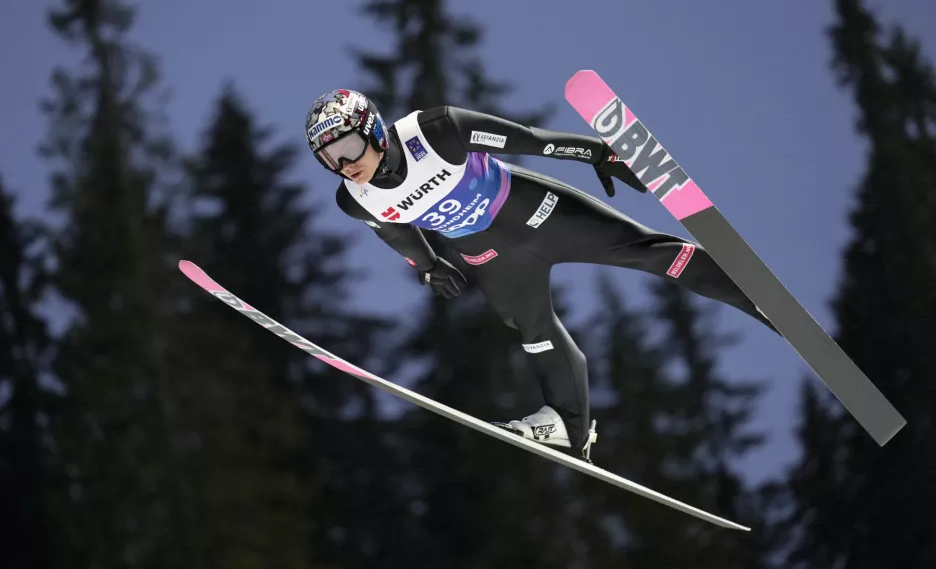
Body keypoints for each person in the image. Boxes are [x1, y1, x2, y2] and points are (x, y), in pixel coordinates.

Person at [306, 88, 776, 461]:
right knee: (531, 329)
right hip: (490, 255)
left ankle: (753, 296)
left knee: (645, 252)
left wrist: (596, 152)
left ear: (372, 129)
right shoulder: (355, 198)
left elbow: (532, 140)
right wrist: (428, 266)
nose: (345, 165)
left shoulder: (436, 131)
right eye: (329, 159)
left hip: (539, 215)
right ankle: (569, 427)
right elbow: (394, 231)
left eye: (347, 147)